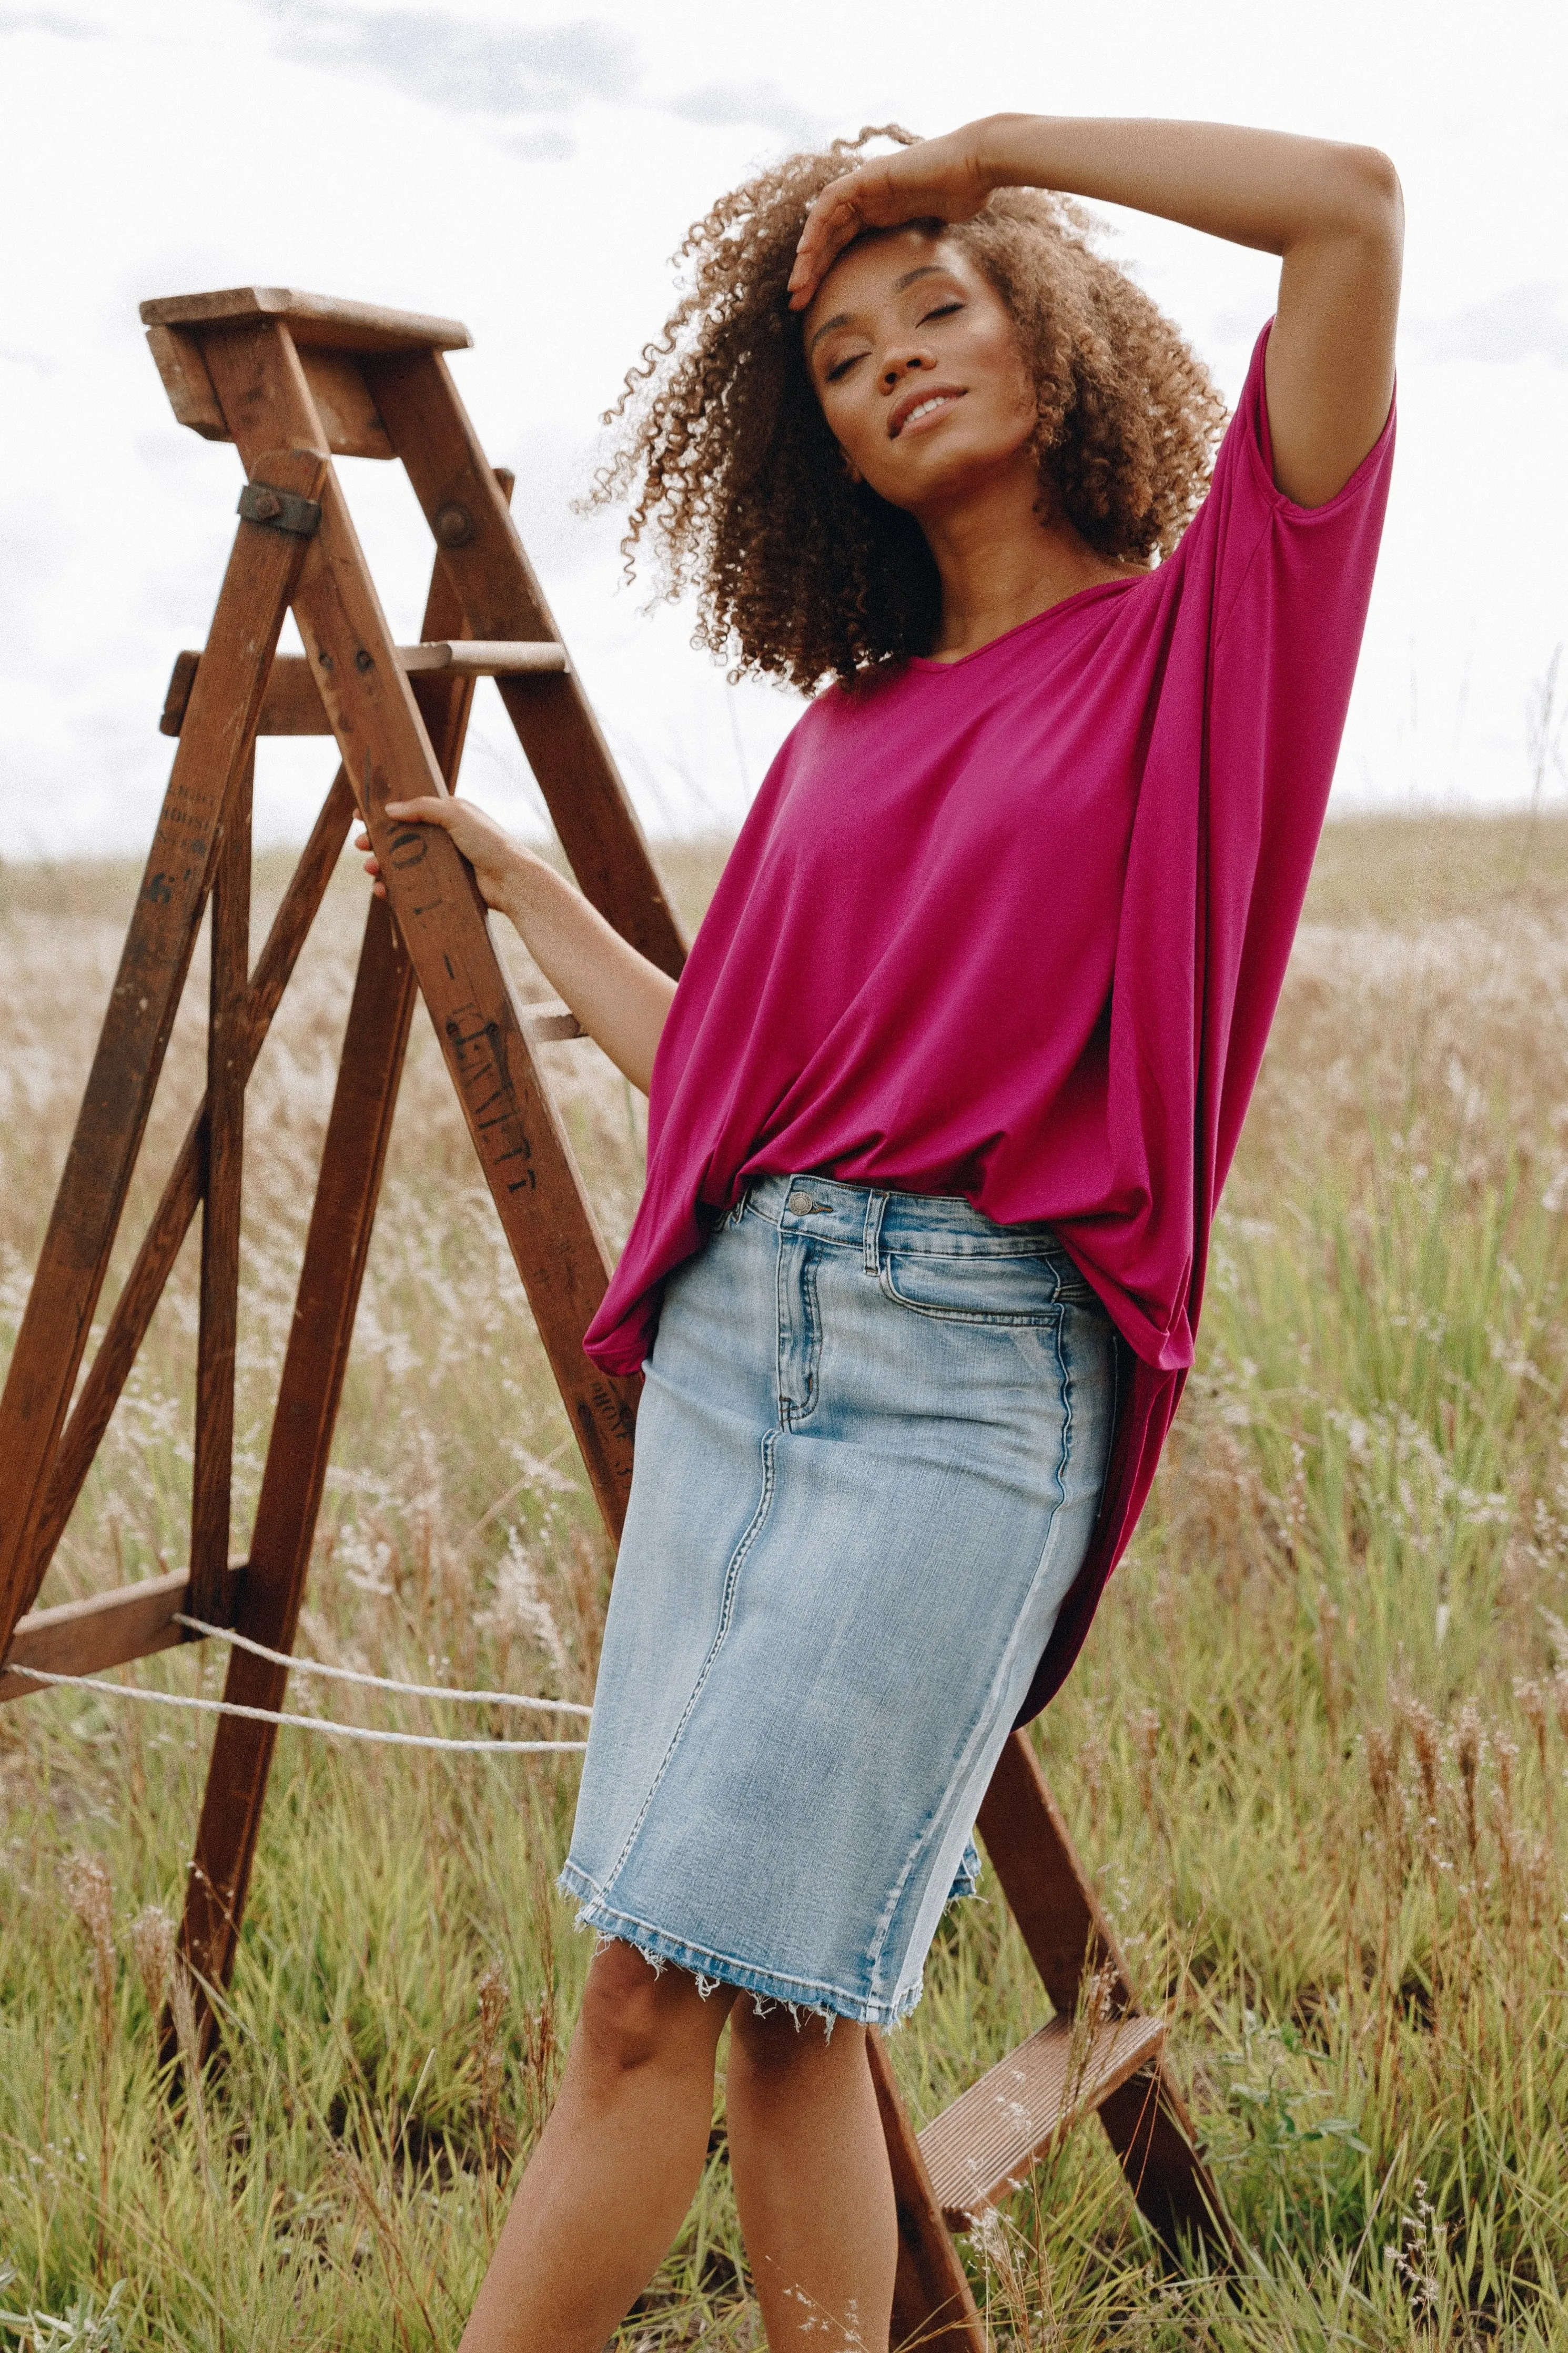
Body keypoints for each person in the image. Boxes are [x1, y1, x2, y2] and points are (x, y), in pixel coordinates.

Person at [357, 113, 1400, 2353]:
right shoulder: (847, 735)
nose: (897, 359)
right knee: (781, 2004)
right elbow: (744, 1094)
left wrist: (992, 149)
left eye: (947, 300)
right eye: (841, 351)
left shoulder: (1206, 642)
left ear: (1061, 331)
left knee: (648, 1990)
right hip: (745, 1342)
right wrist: (529, 894)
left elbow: (1352, 210)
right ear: (808, 438)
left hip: (965, 1376)